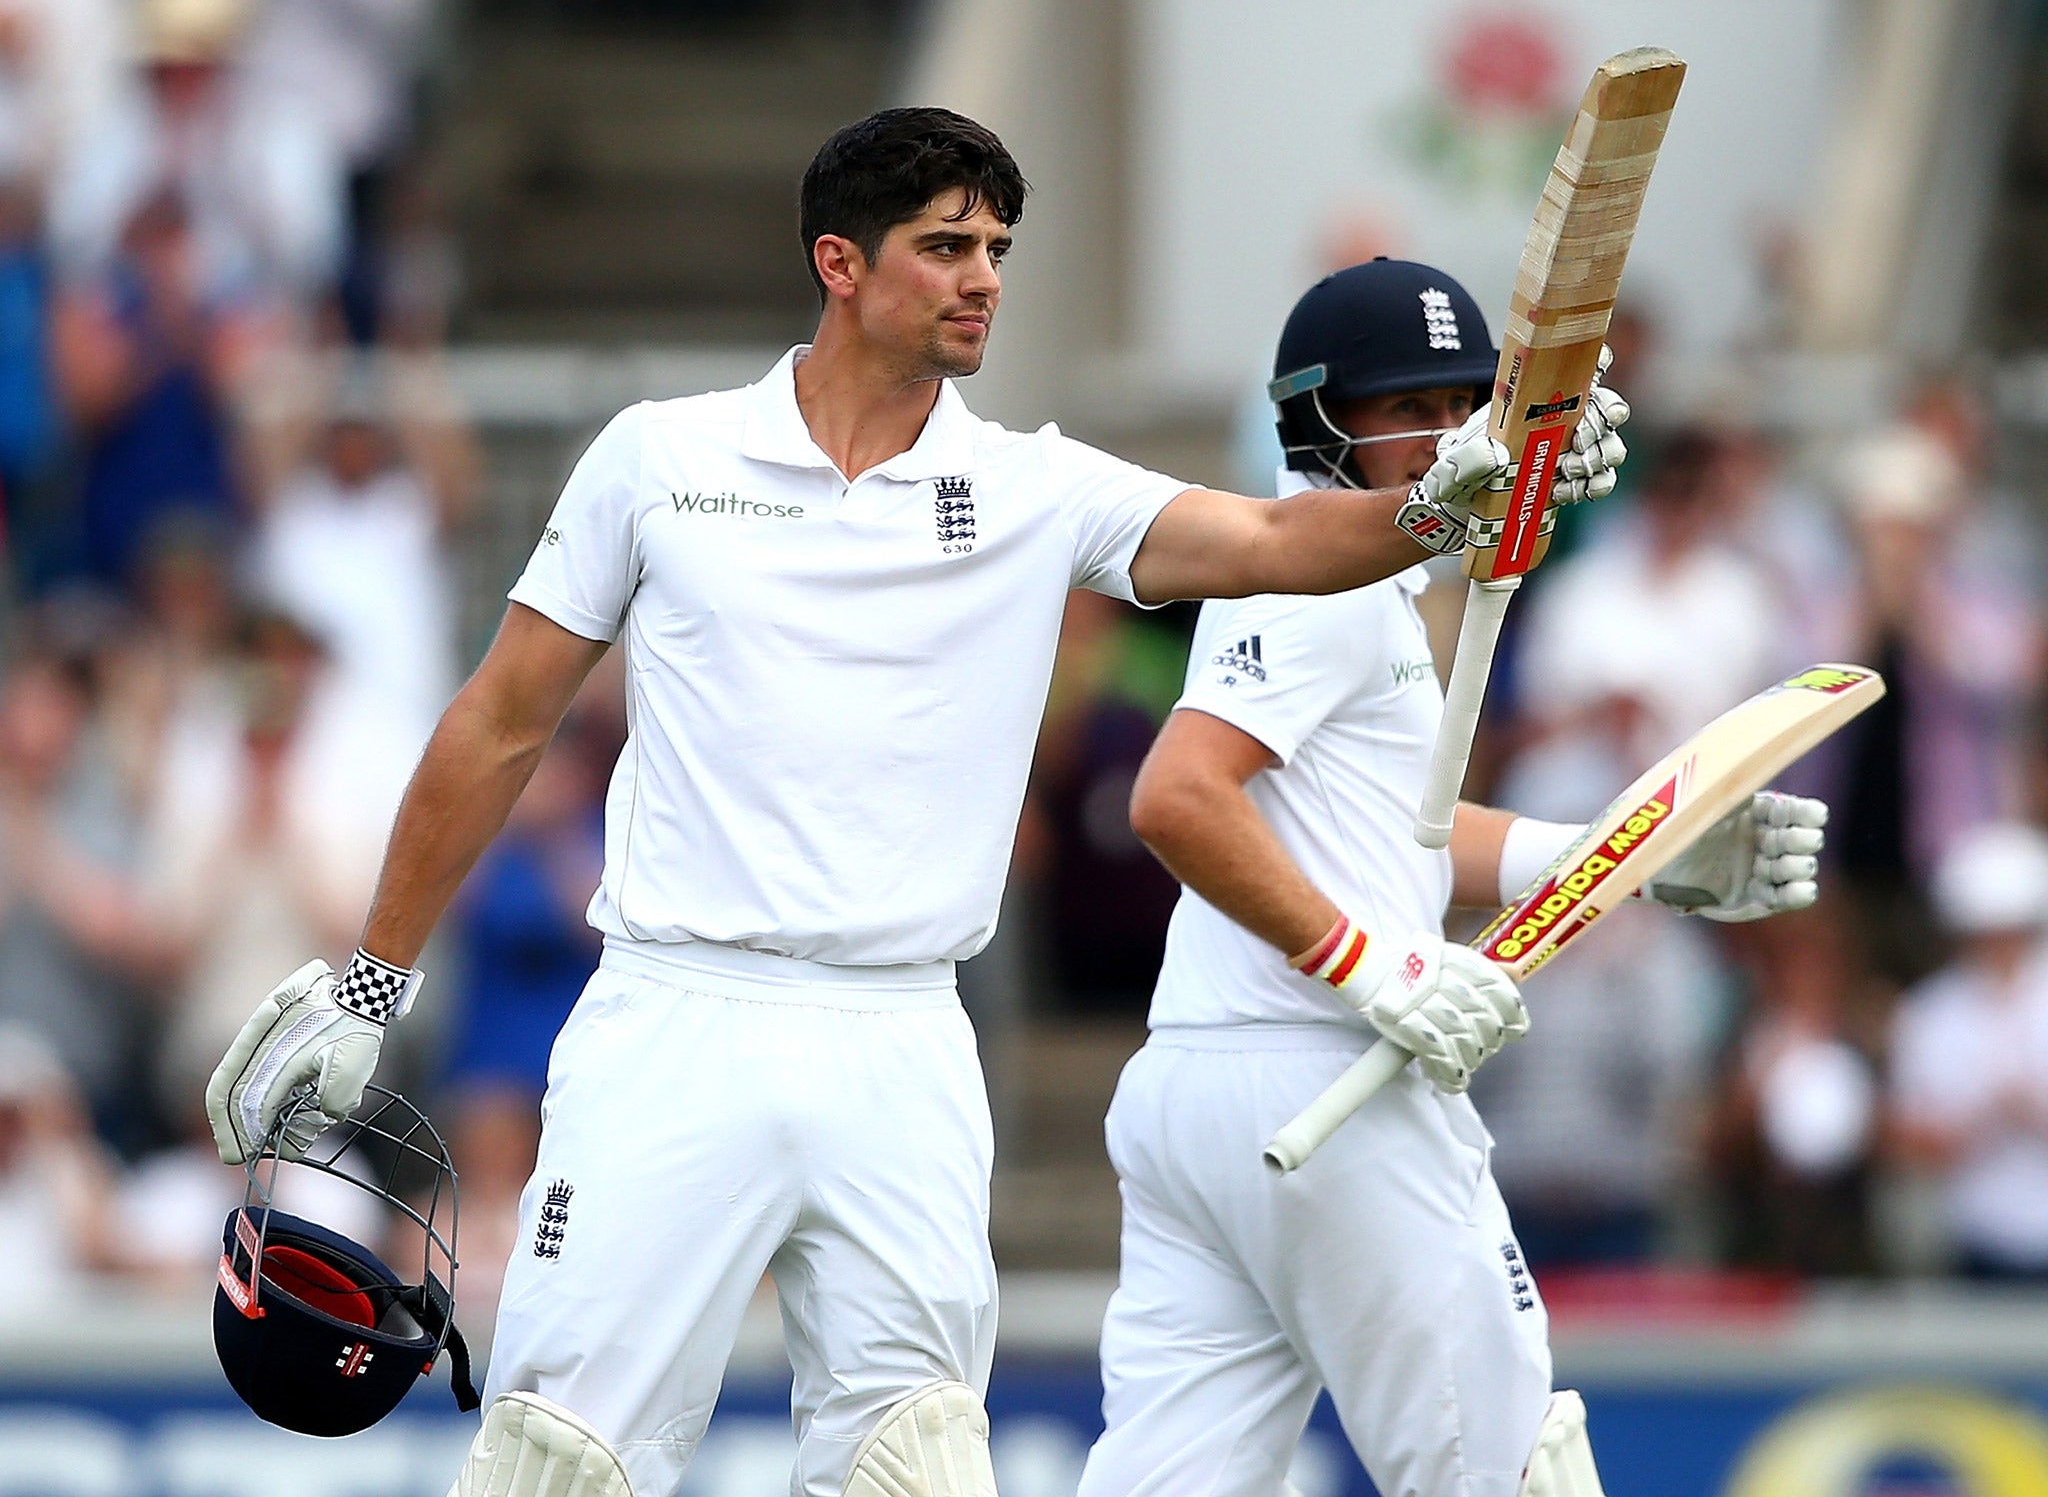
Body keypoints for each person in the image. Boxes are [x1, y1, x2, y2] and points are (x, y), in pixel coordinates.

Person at [201, 112, 1626, 1497]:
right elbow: (501, 720)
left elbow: (1266, 538)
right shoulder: (662, 458)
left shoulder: (1030, 486)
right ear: (841, 262)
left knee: (918, 1467)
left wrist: (1448, 504)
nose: (984, 278)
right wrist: (376, 979)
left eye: (999, 247)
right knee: (558, 1463)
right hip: (676, 1021)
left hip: (904, 1044)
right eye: (947, 246)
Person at [1076, 259, 1828, 1497]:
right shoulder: (1328, 587)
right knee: (1504, 1474)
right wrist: (1365, 965)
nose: (1439, 435)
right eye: (1402, 409)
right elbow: (1176, 797)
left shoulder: (1346, 585)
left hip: (1194, 1095)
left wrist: (1641, 864)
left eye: (1458, 402)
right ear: (1319, 420)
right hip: (1326, 1079)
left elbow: (1405, 831)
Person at [1890, 822, 2048, 1280]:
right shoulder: (1930, 1013)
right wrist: (1965, 1131)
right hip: (1976, 1237)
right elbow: (1904, 1133)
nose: (1998, 948)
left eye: (2011, 932)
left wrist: (2030, 1113)